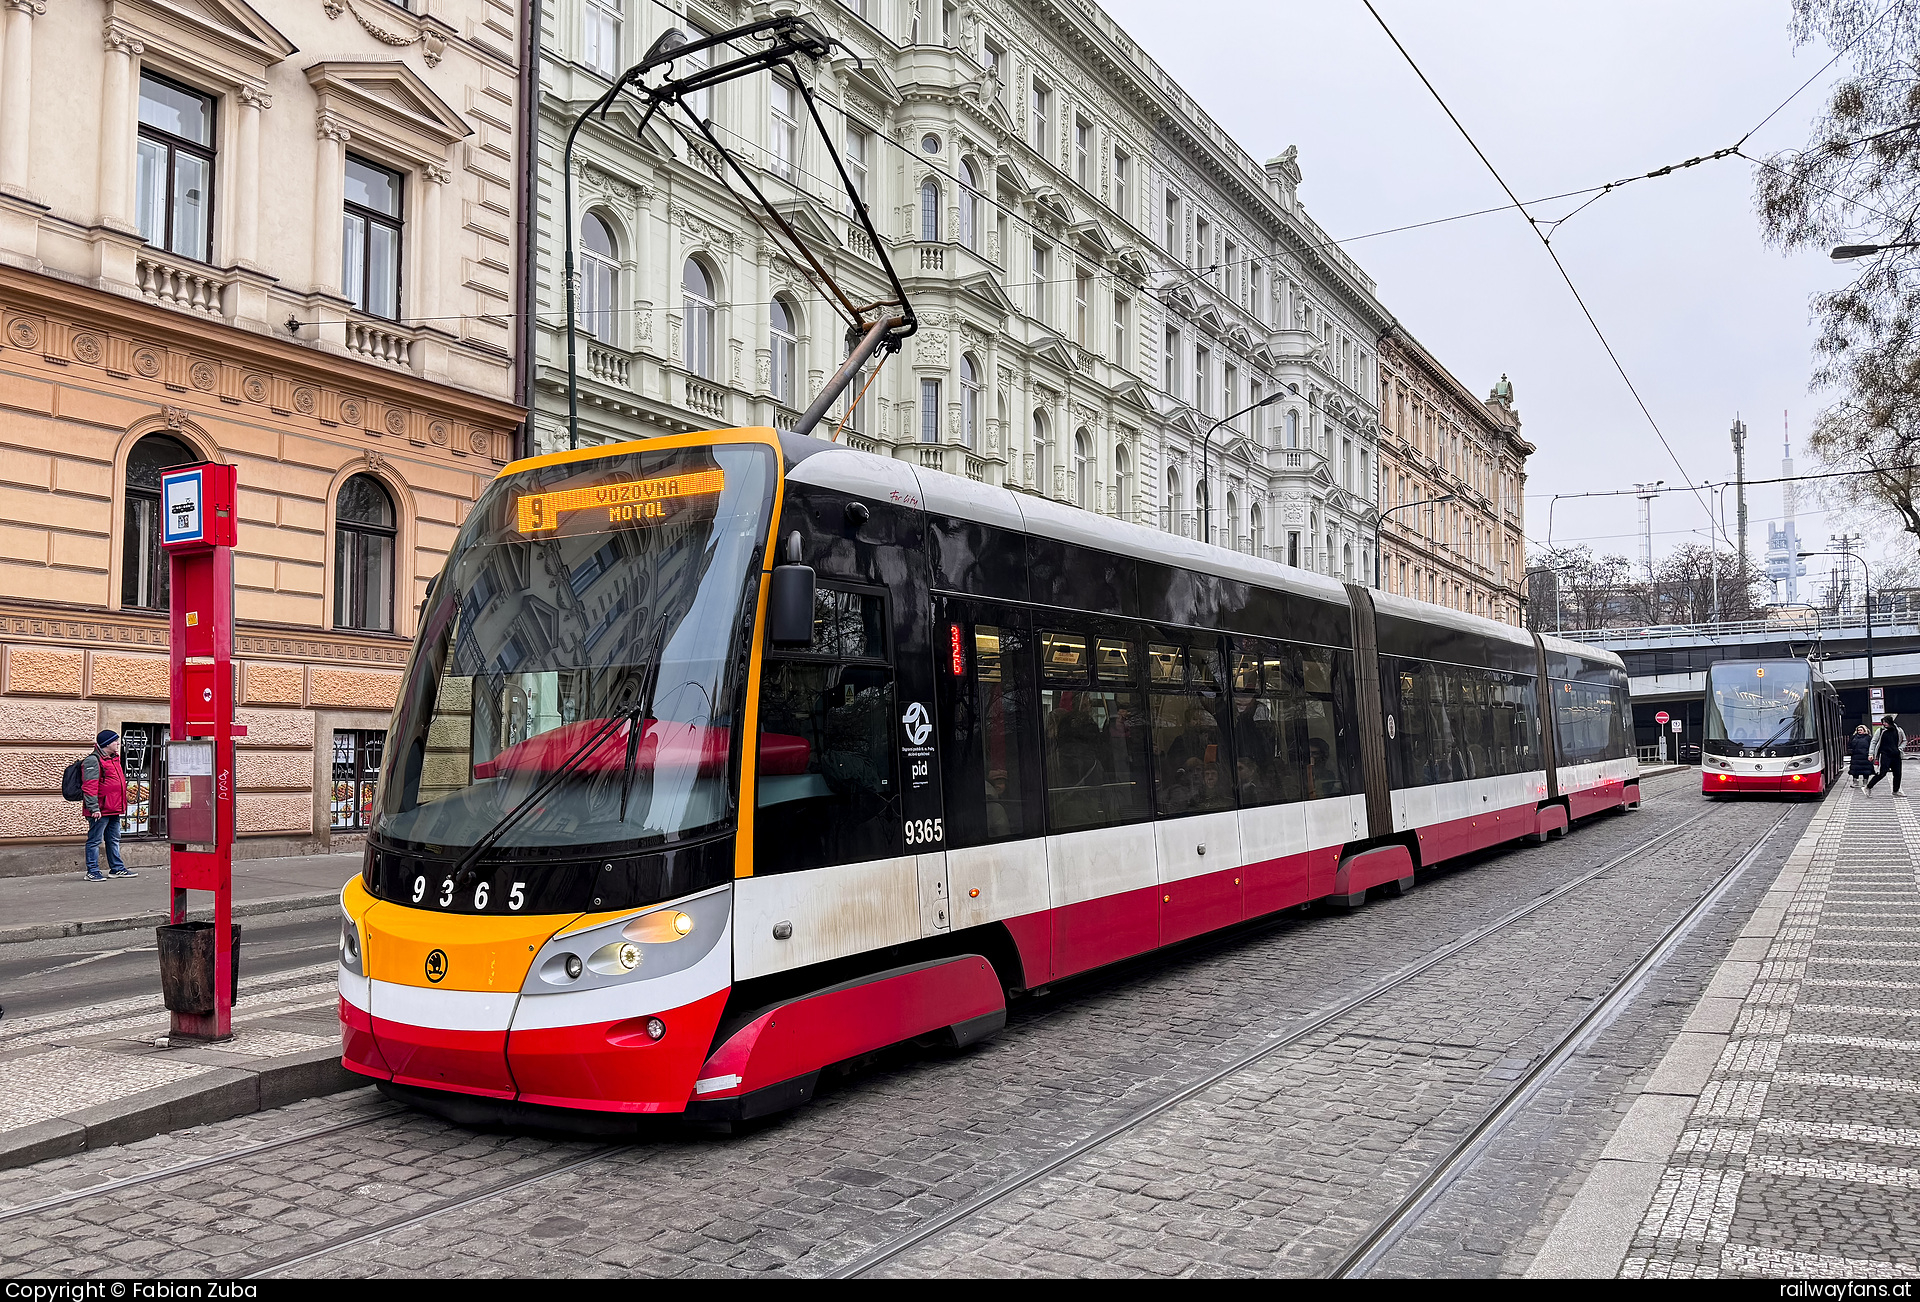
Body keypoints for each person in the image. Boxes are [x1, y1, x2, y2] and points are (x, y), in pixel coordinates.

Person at [81, 729, 136, 880]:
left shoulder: (114, 759)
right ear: (106, 744)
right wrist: (93, 808)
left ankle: (116, 868)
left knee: (113, 839)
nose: (118, 743)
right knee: (95, 840)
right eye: (115, 741)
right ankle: (92, 871)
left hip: (113, 808)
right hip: (100, 809)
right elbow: (89, 786)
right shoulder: (93, 760)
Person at [1867, 714, 1905, 797]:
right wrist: (1871, 754)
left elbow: (1904, 740)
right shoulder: (1880, 731)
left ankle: (1896, 791)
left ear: (1890, 722)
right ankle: (1868, 787)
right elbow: (1873, 742)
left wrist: (1900, 748)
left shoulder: (1898, 730)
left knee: (1897, 774)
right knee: (1882, 773)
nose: (1884, 724)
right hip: (1884, 754)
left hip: (1896, 755)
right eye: (1883, 722)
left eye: (1885, 722)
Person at [1848, 724, 1875, 790]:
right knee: (1855, 770)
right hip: (1856, 756)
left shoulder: (1868, 737)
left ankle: (1865, 782)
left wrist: (1871, 754)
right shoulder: (1854, 737)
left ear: (1864, 730)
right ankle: (1855, 781)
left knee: (1866, 770)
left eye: (1861, 730)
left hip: (1865, 756)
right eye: (1858, 730)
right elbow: (1850, 745)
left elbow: (1871, 746)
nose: (1859, 731)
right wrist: (1850, 751)